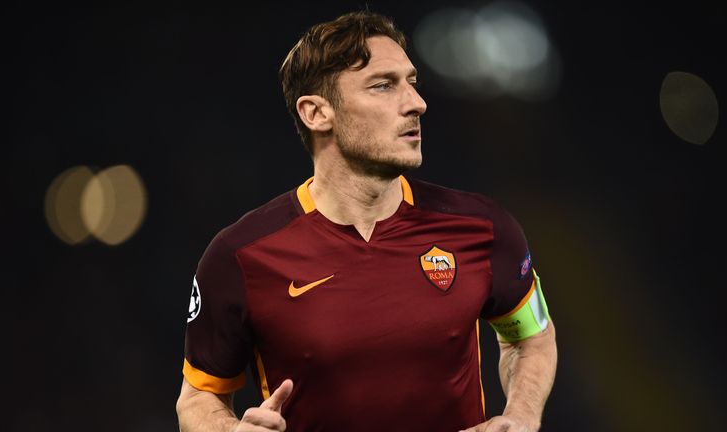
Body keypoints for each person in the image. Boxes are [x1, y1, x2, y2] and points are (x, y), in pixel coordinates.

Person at [175, 9, 557, 432]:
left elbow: (531, 337)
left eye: (411, 83)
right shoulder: (240, 256)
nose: (417, 103)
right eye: (383, 86)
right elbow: (199, 397)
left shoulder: (483, 228)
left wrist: (521, 417)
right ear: (316, 113)